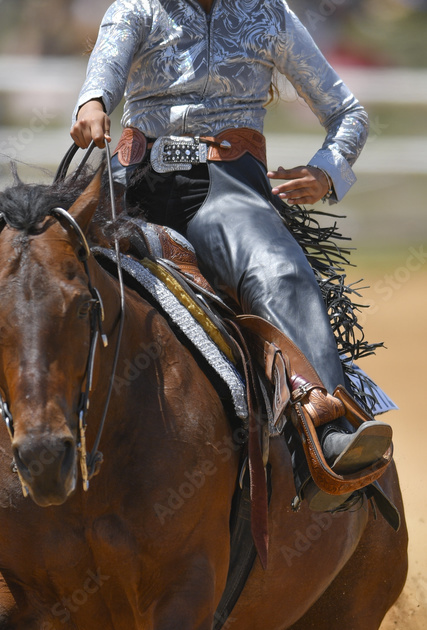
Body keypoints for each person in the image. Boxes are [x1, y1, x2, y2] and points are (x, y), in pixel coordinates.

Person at [69, 0, 392, 476]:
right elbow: (104, 73)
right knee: (30, 253)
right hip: (130, 186)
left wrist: (327, 172)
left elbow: (347, 112)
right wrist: (92, 102)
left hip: (227, 192)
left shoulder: (270, 13)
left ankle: (325, 428)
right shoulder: (135, 8)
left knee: (280, 271)